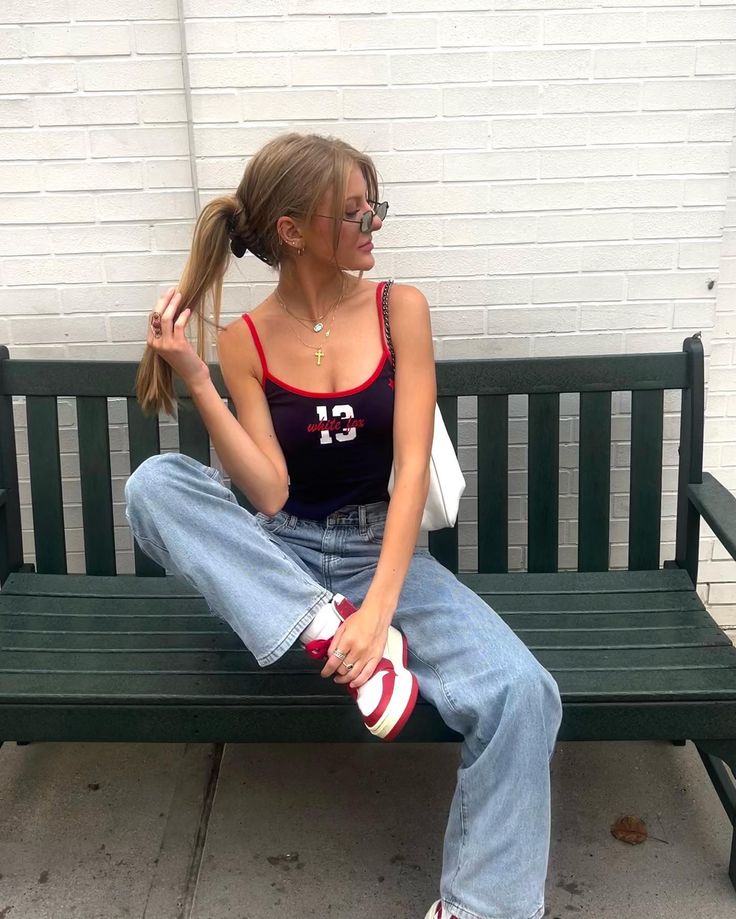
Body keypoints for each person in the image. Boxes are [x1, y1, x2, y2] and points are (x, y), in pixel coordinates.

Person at [124, 131, 563, 919]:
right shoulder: (243, 339)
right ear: (293, 231)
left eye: (375, 206)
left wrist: (381, 614)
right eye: (355, 212)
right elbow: (266, 490)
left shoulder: (402, 310)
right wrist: (196, 377)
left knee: (525, 691)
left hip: (377, 553)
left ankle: (481, 908)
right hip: (278, 559)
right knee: (155, 483)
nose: (374, 225)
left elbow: (409, 477)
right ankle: (322, 625)